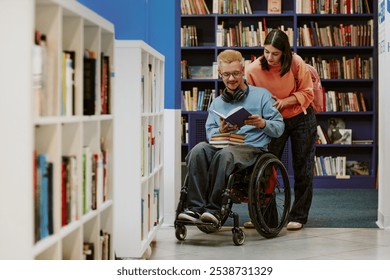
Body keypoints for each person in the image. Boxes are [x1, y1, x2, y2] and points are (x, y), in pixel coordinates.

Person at [178, 49, 285, 225]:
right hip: (224, 146)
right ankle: (195, 209)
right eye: (226, 75)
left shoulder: (262, 95)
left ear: (243, 70)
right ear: (220, 74)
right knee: (198, 150)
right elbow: (210, 133)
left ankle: (214, 210)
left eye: (235, 73)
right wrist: (220, 130)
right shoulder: (217, 103)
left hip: (252, 149)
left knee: (225, 155)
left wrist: (262, 124)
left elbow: (279, 128)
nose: (231, 79)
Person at [245, 29, 317, 231]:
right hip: (272, 121)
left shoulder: (296, 63)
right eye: (266, 52)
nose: (270, 57)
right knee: (265, 167)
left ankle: (298, 216)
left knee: (303, 167)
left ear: (285, 52)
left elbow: (307, 92)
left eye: (275, 53)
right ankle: (264, 217)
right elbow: (250, 98)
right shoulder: (252, 70)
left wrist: (284, 101)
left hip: (301, 117)